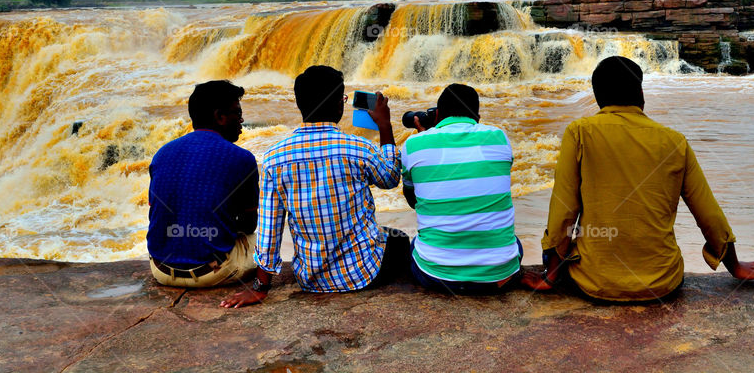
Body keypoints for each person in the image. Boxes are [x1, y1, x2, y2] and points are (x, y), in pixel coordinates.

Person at [523, 56, 754, 302]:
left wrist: (552, 275)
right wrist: (735, 266)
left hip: (594, 281)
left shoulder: (579, 133)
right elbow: (708, 213)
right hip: (662, 283)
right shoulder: (674, 141)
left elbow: (563, 210)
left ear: (598, 98)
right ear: (641, 94)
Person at [221, 65, 407, 308]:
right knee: (399, 238)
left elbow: (270, 226)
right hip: (362, 275)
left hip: (310, 279)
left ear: (299, 104)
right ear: (340, 105)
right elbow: (390, 178)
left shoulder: (275, 158)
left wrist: (260, 288)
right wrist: (385, 126)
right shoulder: (357, 148)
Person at [401, 83, 523, 295]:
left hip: (435, 275)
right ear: (477, 117)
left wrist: (426, 136)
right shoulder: (498, 137)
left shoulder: (414, 144)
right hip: (500, 274)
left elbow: (414, 202)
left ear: (437, 115)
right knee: (515, 243)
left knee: (413, 243)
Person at [147, 80, 258, 288]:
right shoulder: (242, 158)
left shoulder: (162, 153)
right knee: (261, 240)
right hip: (213, 274)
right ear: (219, 116)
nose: (241, 120)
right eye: (237, 112)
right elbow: (249, 224)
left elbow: (157, 213)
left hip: (160, 270)